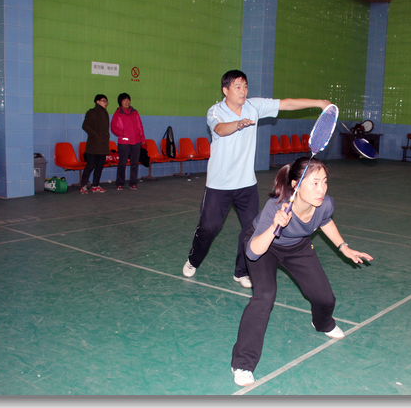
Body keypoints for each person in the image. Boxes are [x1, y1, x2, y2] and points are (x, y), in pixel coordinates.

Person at [230, 156, 373, 386]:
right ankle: (242, 363)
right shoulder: (275, 207)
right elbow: (253, 252)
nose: (321, 189)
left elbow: (325, 221)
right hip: (265, 246)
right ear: (296, 185)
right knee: (264, 296)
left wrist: (343, 247)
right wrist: (275, 226)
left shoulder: (325, 203)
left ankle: (322, 323)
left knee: (325, 298)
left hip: (298, 247)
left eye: (324, 182)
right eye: (314, 183)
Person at [182, 69, 331, 289]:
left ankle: (241, 271)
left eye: (245, 86)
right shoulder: (215, 111)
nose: (243, 91)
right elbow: (220, 129)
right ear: (225, 90)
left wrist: (319, 103)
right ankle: (193, 260)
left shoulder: (254, 106)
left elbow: (287, 104)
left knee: (252, 230)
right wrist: (238, 124)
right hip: (219, 185)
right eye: (237, 87)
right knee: (209, 228)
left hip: (246, 185)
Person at [111, 93, 146, 190]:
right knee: (122, 163)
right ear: (120, 102)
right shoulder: (117, 113)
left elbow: (140, 126)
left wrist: (142, 139)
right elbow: (113, 128)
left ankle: (133, 183)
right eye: (124, 100)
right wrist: (123, 133)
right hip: (124, 142)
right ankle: (120, 183)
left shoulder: (135, 112)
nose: (127, 102)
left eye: (128, 100)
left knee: (134, 164)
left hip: (136, 141)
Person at [80, 94, 111, 194]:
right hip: (93, 144)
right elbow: (85, 126)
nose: (106, 103)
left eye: (106, 101)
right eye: (103, 101)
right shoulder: (92, 112)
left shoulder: (105, 113)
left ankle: (95, 185)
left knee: (100, 166)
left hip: (103, 144)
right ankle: (83, 186)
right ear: (97, 101)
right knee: (90, 165)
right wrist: (95, 135)